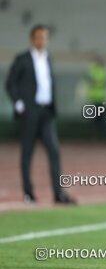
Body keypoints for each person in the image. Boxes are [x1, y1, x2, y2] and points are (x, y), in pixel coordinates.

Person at [5, 24, 75, 205]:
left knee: (54, 151)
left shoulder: (48, 58)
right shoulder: (22, 59)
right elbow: (10, 83)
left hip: (46, 112)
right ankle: (29, 193)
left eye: (44, 37)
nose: (42, 40)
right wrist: (19, 104)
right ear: (32, 39)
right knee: (27, 153)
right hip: (30, 111)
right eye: (38, 37)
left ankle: (58, 194)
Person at [85, 55, 106, 140]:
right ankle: (93, 137)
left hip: (101, 98)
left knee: (102, 119)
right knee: (93, 119)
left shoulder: (103, 71)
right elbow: (90, 78)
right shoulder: (94, 70)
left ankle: (103, 137)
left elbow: (99, 81)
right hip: (94, 99)